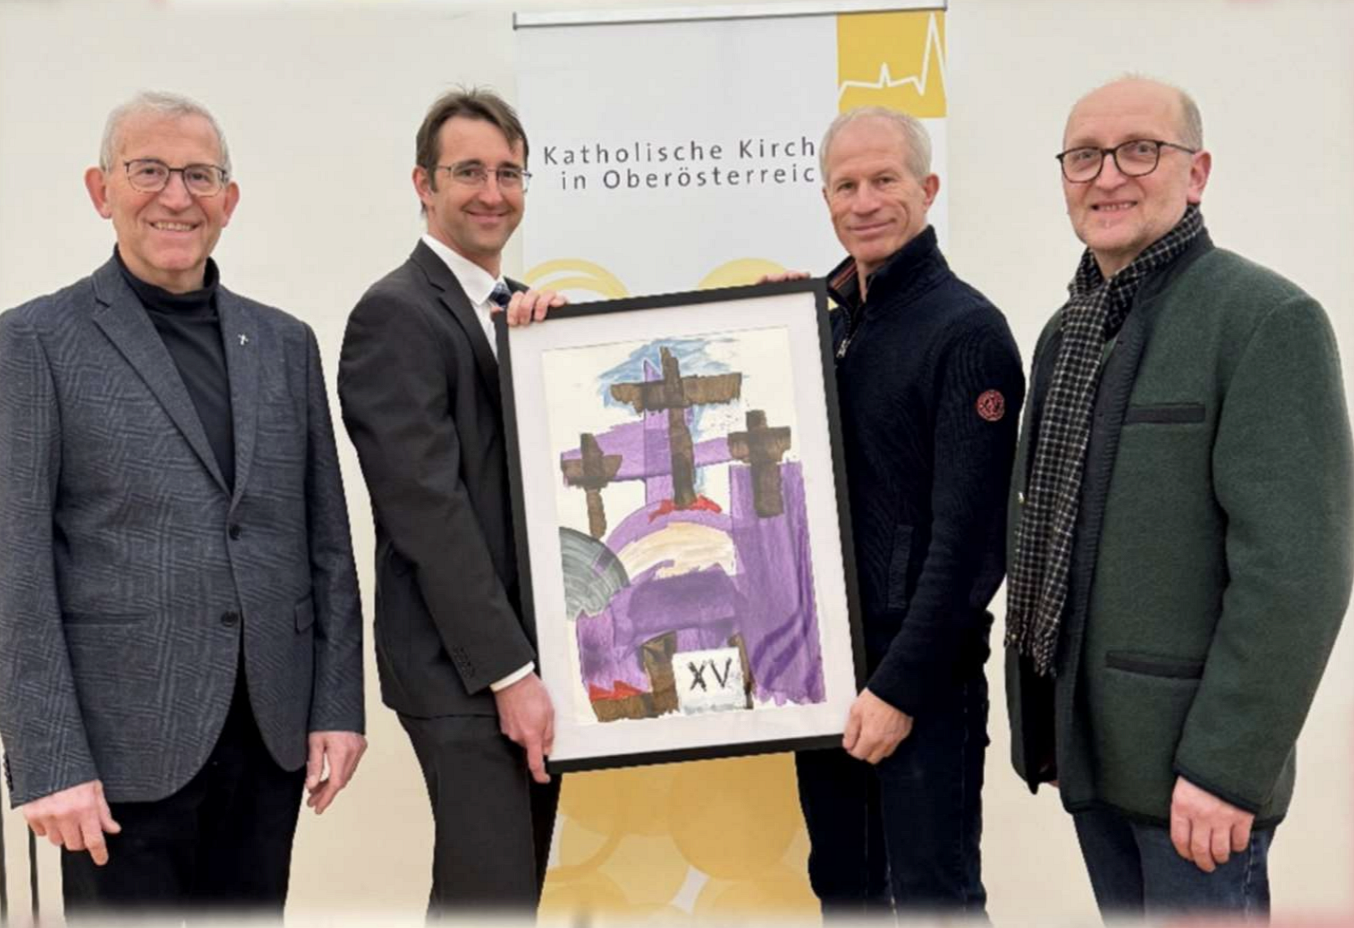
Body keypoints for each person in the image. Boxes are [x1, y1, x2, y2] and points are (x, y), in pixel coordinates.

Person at [0, 91, 366, 919]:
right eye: (149, 171)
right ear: (101, 190)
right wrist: (49, 759)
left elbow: (326, 543)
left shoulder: (286, 343)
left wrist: (338, 706)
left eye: (199, 176)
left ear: (228, 201)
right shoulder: (35, 341)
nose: (177, 196)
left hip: (269, 739)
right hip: (119, 754)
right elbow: (15, 565)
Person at [1005, 76, 1352, 920]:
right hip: (1092, 756)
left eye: (1139, 151)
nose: (1107, 177)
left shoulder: (1264, 318)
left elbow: (1297, 573)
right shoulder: (1066, 332)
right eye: (1084, 157)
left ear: (1196, 173)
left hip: (1197, 782)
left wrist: (1227, 768)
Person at [790, 106, 1023, 919]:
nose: (864, 202)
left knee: (935, 901)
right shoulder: (825, 327)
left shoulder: (968, 332)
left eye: (884, 179)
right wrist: (768, 333)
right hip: (823, 672)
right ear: (826, 199)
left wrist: (898, 688)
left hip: (921, 681)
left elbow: (972, 543)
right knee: (845, 893)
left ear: (927, 188)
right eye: (845, 185)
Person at [337, 88, 563, 912]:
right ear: (423, 184)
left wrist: (562, 360)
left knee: (508, 894)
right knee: (489, 898)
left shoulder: (522, 312)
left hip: (530, 656)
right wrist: (510, 674)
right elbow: (427, 512)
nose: (491, 192)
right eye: (468, 171)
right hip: (465, 671)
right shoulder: (395, 314)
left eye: (508, 173)